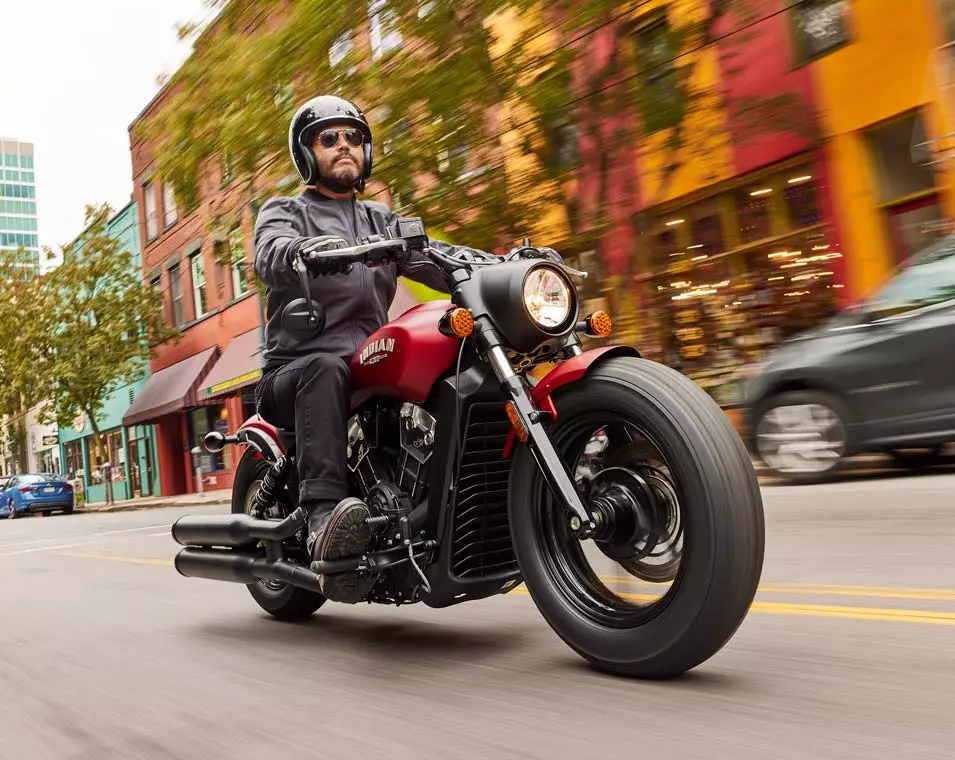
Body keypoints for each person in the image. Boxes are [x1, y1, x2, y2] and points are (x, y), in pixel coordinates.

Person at [252, 95, 470, 603]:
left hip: (364, 366)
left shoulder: (381, 220)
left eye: (353, 137)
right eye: (329, 138)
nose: (344, 145)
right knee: (326, 367)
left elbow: (437, 259)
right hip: (296, 372)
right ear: (307, 154)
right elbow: (269, 254)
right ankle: (324, 517)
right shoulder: (286, 212)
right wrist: (303, 251)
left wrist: (496, 263)